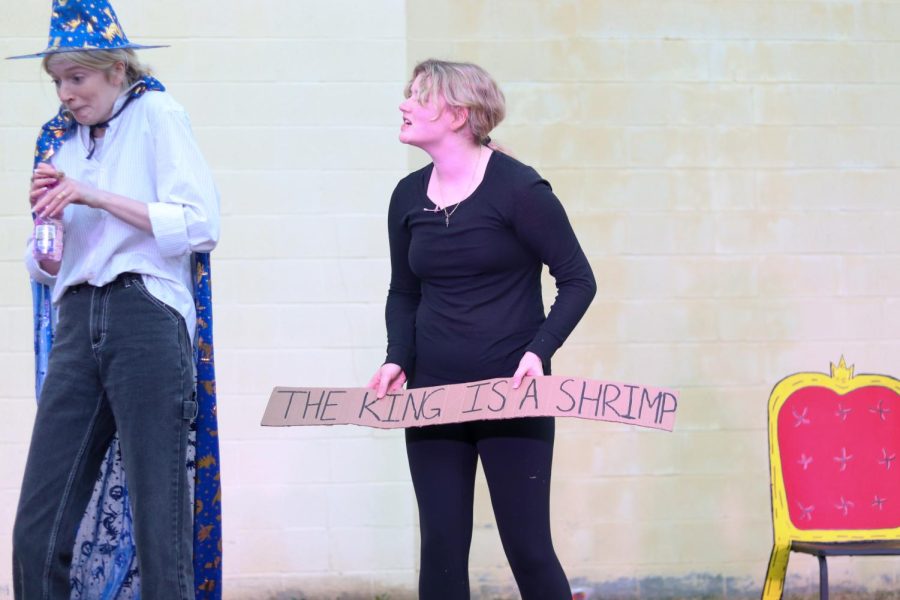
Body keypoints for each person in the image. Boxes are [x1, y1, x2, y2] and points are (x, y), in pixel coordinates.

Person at [8, 1, 221, 598]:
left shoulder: (158, 114)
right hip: (77, 316)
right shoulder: (58, 141)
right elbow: (46, 265)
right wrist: (47, 235)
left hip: (143, 314)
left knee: (161, 518)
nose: (65, 94)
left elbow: (200, 224)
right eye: (57, 81)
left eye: (76, 78)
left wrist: (94, 196)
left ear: (116, 71)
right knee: (38, 522)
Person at [369, 59, 597, 599]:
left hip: (512, 395)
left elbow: (578, 280)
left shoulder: (520, 189)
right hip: (433, 397)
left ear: (457, 114)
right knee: (442, 548)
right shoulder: (407, 196)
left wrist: (539, 351)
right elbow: (404, 291)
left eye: (417, 96)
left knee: (527, 547)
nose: (403, 105)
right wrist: (397, 355)